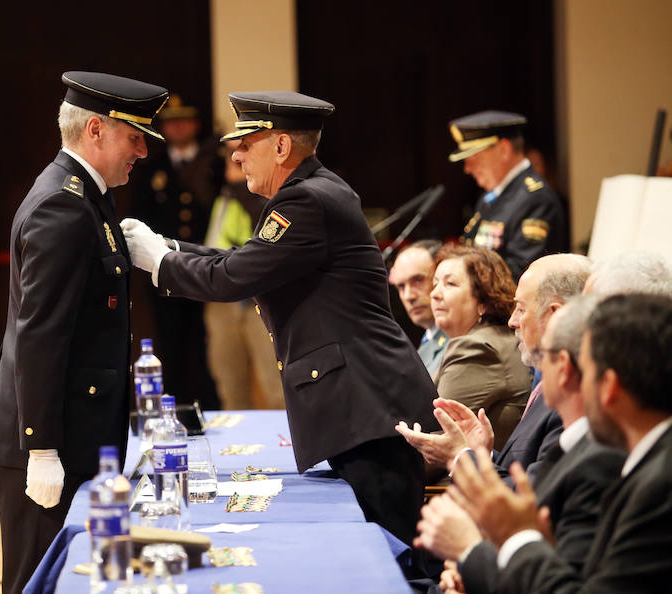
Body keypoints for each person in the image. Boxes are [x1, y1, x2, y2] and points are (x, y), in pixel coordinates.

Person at [122, 91, 438, 546]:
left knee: (390, 558)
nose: (236, 154)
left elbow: (235, 276)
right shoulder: (311, 192)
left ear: (282, 147)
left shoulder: (305, 202)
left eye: (246, 144)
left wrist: (160, 264)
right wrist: (169, 249)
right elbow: (245, 260)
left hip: (367, 407)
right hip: (362, 405)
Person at [0, 72, 168, 593]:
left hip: (76, 431)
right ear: (96, 130)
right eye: (134, 137)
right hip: (52, 441)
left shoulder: (86, 197)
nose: (142, 152)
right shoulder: (63, 204)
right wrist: (41, 447)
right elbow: (40, 335)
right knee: (38, 580)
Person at [450, 294, 672, 592]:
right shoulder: (660, 459)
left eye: (586, 371)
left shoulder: (668, 486)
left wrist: (511, 539)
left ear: (609, 387)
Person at [416, 296, 625, 594]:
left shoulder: (597, 458)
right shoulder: (577, 442)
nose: (512, 320)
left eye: (544, 356)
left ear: (563, 367)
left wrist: (472, 555)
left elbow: (561, 575)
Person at [397, 254, 592, 485]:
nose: (513, 321)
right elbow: (521, 467)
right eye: (435, 283)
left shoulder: (574, 393)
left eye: (521, 308)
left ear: (555, 314)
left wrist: (461, 457)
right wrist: (480, 453)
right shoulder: (552, 383)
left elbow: (535, 495)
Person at [129, 95, 220, 410]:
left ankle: (209, 410)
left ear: (195, 124)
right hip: (164, 270)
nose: (178, 127)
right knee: (171, 343)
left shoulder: (215, 163)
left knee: (207, 345)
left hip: (209, 266)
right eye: (171, 122)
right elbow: (140, 215)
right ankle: (177, 410)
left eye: (184, 120)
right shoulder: (151, 167)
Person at [202, 139, 283, 409]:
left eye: (243, 150)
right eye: (231, 153)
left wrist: (240, 185)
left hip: (258, 301)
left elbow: (263, 226)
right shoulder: (222, 192)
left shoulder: (268, 192)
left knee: (275, 386)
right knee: (228, 380)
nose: (236, 158)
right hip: (221, 298)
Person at [429, 245, 531, 449]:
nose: (435, 294)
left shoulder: (477, 348)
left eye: (450, 284)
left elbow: (440, 442)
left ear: (484, 301)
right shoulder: (495, 338)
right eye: (434, 284)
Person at [450, 111, 568, 281]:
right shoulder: (491, 197)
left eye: (474, 157)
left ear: (504, 150)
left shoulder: (536, 199)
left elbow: (521, 271)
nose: (467, 168)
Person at [389, 240, 449, 375]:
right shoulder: (425, 343)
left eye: (418, 280)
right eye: (401, 286)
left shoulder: (459, 344)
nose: (408, 296)